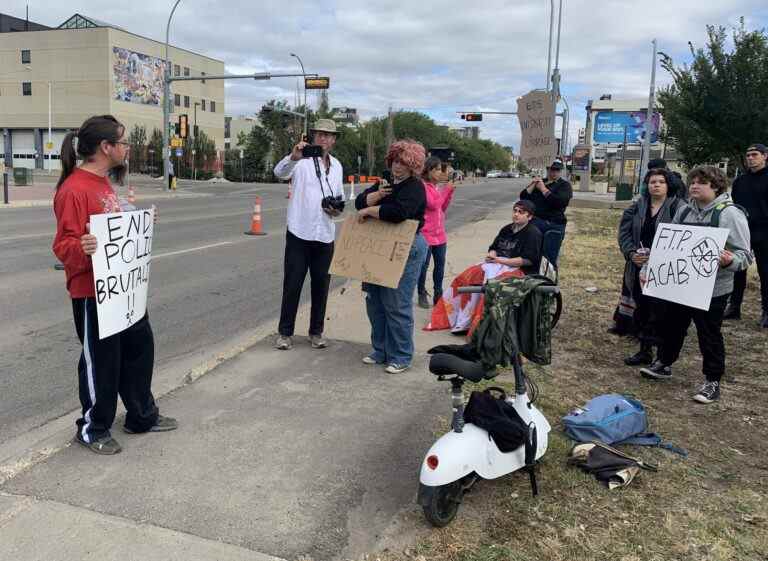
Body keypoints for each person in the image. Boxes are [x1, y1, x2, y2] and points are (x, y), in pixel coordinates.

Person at [53, 115, 177, 455]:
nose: (127, 147)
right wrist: (80, 247)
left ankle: (141, 415)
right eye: (123, 142)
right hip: (93, 292)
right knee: (102, 361)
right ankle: (93, 428)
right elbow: (63, 245)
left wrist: (140, 223)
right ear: (106, 148)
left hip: (123, 289)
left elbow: (113, 226)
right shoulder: (73, 189)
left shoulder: (103, 183)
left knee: (139, 350)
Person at [640, 166, 752, 404]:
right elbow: (667, 248)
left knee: (708, 335)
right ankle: (664, 363)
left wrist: (731, 260)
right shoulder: (683, 211)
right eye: (692, 182)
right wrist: (649, 268)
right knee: (672, 326)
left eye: (702, 182)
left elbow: (745, 254)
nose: (694, 186)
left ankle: (713, 381)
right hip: (682, 285)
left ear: (716, 186)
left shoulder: (729, 214)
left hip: (712, 291)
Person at [355, 139, 427, 374]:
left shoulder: (415, 187)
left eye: (404, 163)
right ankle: (381, 350)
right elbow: (358, 202)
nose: (398, 167)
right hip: (379, 245)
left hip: (406, 247)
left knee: (396, 303)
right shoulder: (384, 181)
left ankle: (401, 355)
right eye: (396, 161)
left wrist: (369, 211)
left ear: (413, 166)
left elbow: (398, 213)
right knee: (374, 301)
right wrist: (374, 197)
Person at [273, 119, 344, 351]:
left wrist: (335, 209)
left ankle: (316, 332)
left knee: (321, 286)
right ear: (313, 137)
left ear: (333, 140)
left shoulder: (337, 165)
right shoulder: (301, 162)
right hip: (299, 232)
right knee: (292, 285)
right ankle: (285, 333)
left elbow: (340, 198)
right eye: (319, 135)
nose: (323, 139)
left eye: (328, 135)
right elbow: (279, 173)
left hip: (324, 234)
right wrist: (293, 157)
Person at [425, 200, 540, 336]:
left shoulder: (533, 233)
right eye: (515, 211)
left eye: (521, 212)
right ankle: (461, 319)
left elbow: (528, 260)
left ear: (530, 216)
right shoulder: (507, 229)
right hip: (497, 264)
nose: (516, 214)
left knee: (490, 286)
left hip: (518, 269)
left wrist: (503, 261)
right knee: (467, 277)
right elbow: (494, 247)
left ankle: (478, 326)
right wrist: (492, 255)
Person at [613, 168, 681, 362]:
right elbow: (624, 234)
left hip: (664, 269)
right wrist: (631, 254)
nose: (656, 185)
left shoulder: (679, 207)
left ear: (669, 185)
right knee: (642, 308)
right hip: (638, 267)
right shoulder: (637, 207)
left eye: (661, 181)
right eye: (652, 182)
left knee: (661, 311)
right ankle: (644, 350)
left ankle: (663, 355)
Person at [725, 143, 768, 327]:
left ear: (765, 156)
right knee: (737, 269)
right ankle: (734, 307)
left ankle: (766, 310)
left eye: (755, 154)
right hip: (742, 232)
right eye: (748, 155)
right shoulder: (740, 181)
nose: (750, 158)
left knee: (765, 272)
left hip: (765, 232)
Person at [417, 156, 456, 308]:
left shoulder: (438, 188)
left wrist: (449, 192)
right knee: (423, 266)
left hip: (440, 235)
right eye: (438, 169)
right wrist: (446, 190)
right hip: (426, 235)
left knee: (440, 266)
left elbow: (442, 208)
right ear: (429, 170)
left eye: (441, 169)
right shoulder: (423, 186)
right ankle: (421, 292)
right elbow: (433, 204)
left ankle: (438, 293)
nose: (441, 173)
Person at [519, 160, 572, 267]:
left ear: (560, 171)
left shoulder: (564, 185)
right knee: (531, 254)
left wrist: (543, 189)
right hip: (536, 222)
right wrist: (533, 184)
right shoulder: (540, 183)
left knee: (549, 257)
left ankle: (549, 279)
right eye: (551, 169)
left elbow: (560, 202)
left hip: (555, 223)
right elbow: (523, 198)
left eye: (556, 170)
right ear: (547, 170)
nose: (553, 172)